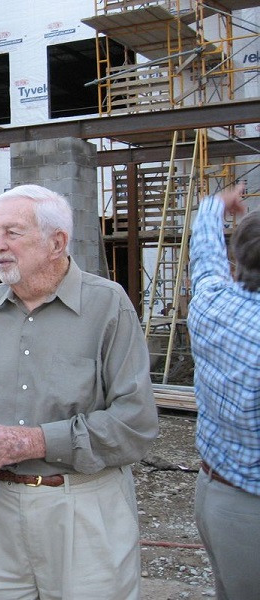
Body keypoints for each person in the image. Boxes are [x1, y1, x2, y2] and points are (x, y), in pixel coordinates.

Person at [0, 184, 159, 599]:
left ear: (56, 242)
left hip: (83, 507)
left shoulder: (108, 305)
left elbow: (135, 423)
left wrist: (34, 441)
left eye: (12, 233)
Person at [188, 181, 259, 600]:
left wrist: (216, 205)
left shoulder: (212, 303)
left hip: (216, 496)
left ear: (237, 261)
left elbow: (205, 253)